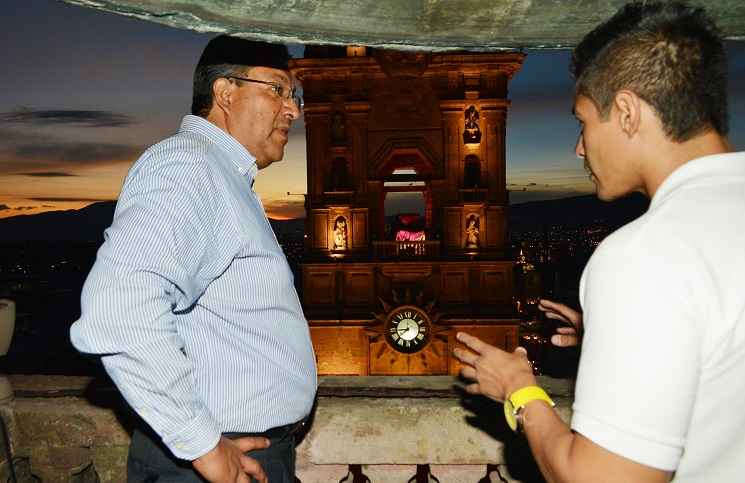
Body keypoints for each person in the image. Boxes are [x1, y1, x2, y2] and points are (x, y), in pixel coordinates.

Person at [454, 2, 745, 482]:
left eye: (583, 121)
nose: (579, 147)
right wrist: (622, 337)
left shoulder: (644, 256)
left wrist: (519, 391)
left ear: (627, 112)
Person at [70, 36, 317, 483]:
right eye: (278, 90)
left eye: (294, 95)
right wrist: (201, 442)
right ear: (225, 93)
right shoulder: (190, 166)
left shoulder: (221, 175)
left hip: (244, 455)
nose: (293, 110)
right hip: (208, 465)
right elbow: (117, 308)